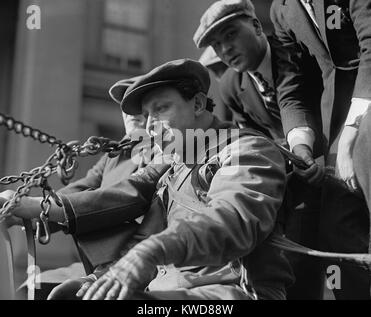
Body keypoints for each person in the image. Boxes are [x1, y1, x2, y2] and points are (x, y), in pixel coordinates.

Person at [64, 58, 295, 300]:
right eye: (146, 115)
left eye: (161, 109)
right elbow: (143, 240)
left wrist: (153, 250)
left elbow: (233, 218)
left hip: (232, 294)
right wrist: (98, 280)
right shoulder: (173, 171)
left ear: (197, 104)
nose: (151, 126)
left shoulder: (243, 149)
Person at [193, 0, 323, 299]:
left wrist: (303, 150)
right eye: (216, 43)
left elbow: (296, 101)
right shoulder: (231, 85)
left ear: (255, 26)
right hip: (295, 184)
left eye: (229, 36)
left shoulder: (293, 51)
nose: (224, 50)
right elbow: (255, 139)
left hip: (332, 162)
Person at [0, 76, 170, 287]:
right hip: (102, 262)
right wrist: (24, 209)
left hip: (153, 264)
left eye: (138, 104)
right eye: (126, 105)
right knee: (34, 288)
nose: (131, 113)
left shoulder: (174, 149)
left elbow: (127, 195)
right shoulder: (114, 157)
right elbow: (80, 190)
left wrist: (35, 207)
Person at [270, 0, 371, 299]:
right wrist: (301, 147)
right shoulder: (281, 10)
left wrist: (351, 136)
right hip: (334, 121)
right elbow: (293, 85)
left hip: (365, 101)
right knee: (336, 231)